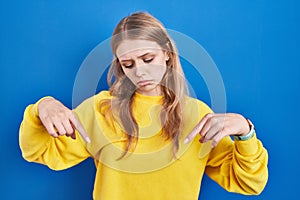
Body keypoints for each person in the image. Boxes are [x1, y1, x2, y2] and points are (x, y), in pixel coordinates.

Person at [19, 12, 268, 200]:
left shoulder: (198, 115)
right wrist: (42, 107)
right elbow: (39, 151)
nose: (139, 72)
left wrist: (246, 132)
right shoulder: (101, 110)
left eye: (148, 59)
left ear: (167, 53)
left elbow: (249, 183)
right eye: (128, 64)